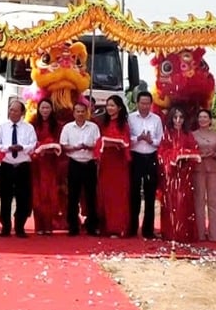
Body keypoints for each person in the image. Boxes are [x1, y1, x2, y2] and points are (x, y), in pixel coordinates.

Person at [0, 99, 37, 238]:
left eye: (15, 110)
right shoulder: (1, 127)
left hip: (23, 165)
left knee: (23, 197)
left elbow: (33, 144)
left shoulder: (28, 128)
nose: (12, 113)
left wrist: (22, 147)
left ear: (22, 113)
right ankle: (5, 226)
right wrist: (8, 148)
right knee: (5, 197)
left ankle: (20, 226)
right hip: (7, 165)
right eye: (10, 110)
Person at [60, 100, 101, 236]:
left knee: (91, 196)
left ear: (87, 112)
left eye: (83, 111)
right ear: (73, 113)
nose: (80, 114)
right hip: (74, 162)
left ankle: (92, 225)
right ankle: (73, 226)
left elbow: (98, 144)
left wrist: (90, 147)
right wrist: (75, 147)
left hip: (89, 163)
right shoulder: (67, 128)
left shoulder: (93, 127)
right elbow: (63, 145)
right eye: (77, 111)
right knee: (73, 196)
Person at [158, 107, 199, 243]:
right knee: (169, 203)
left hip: (184, 175)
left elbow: (195, 151)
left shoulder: (188, 134)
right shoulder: (166, 134)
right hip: (170, 175)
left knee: (184, 203)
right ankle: (170, 233)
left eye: (181, 117)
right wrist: (172, 158)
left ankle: (184, 233)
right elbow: (161, 152)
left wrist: (186, 156)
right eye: (175, 117)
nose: (178, 120)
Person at [127, 89, 163, 238]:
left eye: (148, 103)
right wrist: (138, 138)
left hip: (150, 157)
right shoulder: (130, 118)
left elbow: (160, 139)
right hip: (135, 157)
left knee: (150, 193)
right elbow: (126, 138)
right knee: (133, 192)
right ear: (137, 103)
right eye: (142, 103)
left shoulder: (156, 119)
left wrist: (150, 141)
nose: (145, 106)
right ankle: (132, 227)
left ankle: (148, 229)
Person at [96, 95, 131, 238]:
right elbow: (97, 142)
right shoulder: (102, 123)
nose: (109, 108)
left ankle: (118, 228)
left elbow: (127, 142)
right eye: (108, 105)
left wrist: (118, 144)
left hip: (119, 163)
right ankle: (105, 227)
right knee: (104, 194)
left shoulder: (124, 124)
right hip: (106, 162)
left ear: (119, 108)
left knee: (118, 195)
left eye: (112, 105)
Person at [29, 99, 63, 235]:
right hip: (37, 163)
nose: (45, 111)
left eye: (47, 108)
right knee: (38, 194)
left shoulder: (57, 126)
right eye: (42, 108)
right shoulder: (33, 124)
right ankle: (39, 225)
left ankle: (49, 225)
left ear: (51, 109)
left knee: (50, 193)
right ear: (39, 109)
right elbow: (31, 142)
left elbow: (61, 143)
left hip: (52, 163)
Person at [191, 109, 216, 241]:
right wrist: (200, 155)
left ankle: (215, 234)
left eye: (205, 117)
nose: (203, 119)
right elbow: (189, 151)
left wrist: (215, 155)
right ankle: (199, 233)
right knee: (198, 201)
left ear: (210, 120)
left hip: (213, 169)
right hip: (198, 169)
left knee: (214, 201)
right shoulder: (192, 135)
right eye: (200, 117)